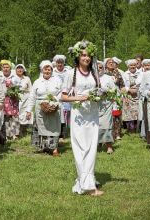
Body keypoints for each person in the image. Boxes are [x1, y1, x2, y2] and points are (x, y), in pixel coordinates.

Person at [62, 40, 104, 196]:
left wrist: (100, 95)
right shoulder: (70, 73)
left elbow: (99, 92)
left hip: (92, 115)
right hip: (78, 115)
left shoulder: (95, 73)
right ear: (78, 56)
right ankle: (87, 186)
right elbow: (64, 97)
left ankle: (87, 180)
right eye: (83, 55)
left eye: (89, 55)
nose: (86, 58)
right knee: (80, 147)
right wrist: (80, 98)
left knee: (92, 147)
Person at [26, 60, 62, 156]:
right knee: (42, 126)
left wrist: (54, 102)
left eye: (49, 69)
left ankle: (54, 149)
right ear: (42, 70)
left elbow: (61, 93)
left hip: (53, 105)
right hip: (40, 107)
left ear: (51, 70)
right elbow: (32, 96)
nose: (47, 71)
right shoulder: (37, 82)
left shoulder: (57, 80)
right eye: (45, 69)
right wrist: (28, 110)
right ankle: (44, 147)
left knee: (54, 127)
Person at [0, 60, 20, 140]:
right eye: (4, 67)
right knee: (5, 116)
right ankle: (6, 134)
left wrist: (13, 89)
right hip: (3, 98)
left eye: (7, 67)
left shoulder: (14, 76)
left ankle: (14, 134)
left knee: (14, 116)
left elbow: (19, 86)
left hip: (13, 98)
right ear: (2, 68)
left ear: (10, 68)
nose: (6, 69)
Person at [97, 61, 116, 154]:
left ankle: (109, 146)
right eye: (96, 67)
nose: (98, 69)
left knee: (106, 125)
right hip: (94, 106)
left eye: (100, 67)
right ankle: (97, 145)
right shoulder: (90, 78)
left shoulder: (108, 78)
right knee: (95, 126)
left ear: (104, 68)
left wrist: (106, 91)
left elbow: (114, 90)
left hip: (106, 105)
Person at [106, 57, 126, 140]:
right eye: (109, 62)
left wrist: (123, 96)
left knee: (117, 115)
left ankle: (117, 133)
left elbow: (122, 85)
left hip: (117, 96)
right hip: (106, 96)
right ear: (106, 64)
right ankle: (108, 133)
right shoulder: (103, 73)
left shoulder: (117, 72)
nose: (111, 63)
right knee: (108, 115)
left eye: (112, 62)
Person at [52, 54, 71, 140]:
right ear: (55, 63)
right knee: (58, 115)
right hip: (56, 96)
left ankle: (65, 133)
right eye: (58, 63)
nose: (60, 64)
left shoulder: (68, 71)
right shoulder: (52, 71)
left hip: (67, 95)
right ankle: (58, 134)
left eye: (61, 62)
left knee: (67, 115)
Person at [14, 64, 33, 136]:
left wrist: (31, 98)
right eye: (18, 68)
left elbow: (31, 89)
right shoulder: (13, 78)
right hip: (15, 98)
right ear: (15, 70)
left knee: (25, 113)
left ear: (23, 70)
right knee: (16, 114)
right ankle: (16, 132)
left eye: (21, 68)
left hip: (25, 98)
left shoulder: (27, 78)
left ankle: (23, 131)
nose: (19, 70)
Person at [122, 59, 139, 132]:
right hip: (128, 94)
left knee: (137, 111)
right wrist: (129, 89)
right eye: (131, 65)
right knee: (129, 111)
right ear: (128, 66)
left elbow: (141, 83)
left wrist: (136, 89)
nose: (133, 66)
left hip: (137, 94)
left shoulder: (140, 73)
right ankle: (130, 128)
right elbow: (123, 85)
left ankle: (137, 127)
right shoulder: (125, 74)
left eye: (134, 65)